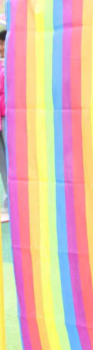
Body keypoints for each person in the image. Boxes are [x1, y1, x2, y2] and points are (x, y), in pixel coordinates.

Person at [0, 29, 7, 221]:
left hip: (8, 115)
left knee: (12, 157)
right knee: (2, 160)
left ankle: (12, 201)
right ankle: (8, 203)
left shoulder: (13, 62)